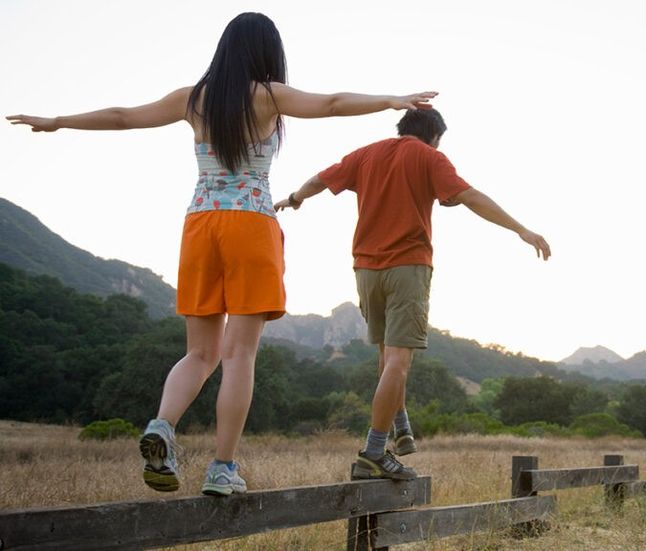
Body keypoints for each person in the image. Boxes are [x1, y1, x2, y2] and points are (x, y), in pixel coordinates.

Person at [6, 12, 436, 496]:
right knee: (239, 355)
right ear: (267, 51)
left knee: (199, 352)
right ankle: (222, 467)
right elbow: (333, 103)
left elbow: (125, 117)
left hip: (200, 224)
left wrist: (59, 122)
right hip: (250, 224)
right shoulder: (267, 95)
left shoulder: (194, 99)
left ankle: (163, 426)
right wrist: (390, 101)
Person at [274, 108, 550, 480]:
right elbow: (470, 196)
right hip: (408, 266)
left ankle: (401, 425)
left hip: (365, 269)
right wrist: (521, 230)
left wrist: (294, 197)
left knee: (388, 354)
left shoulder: (366, 153)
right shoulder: (429, 156)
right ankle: (373, 453)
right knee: (399, 361)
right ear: (434, 136)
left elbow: (321, 179)